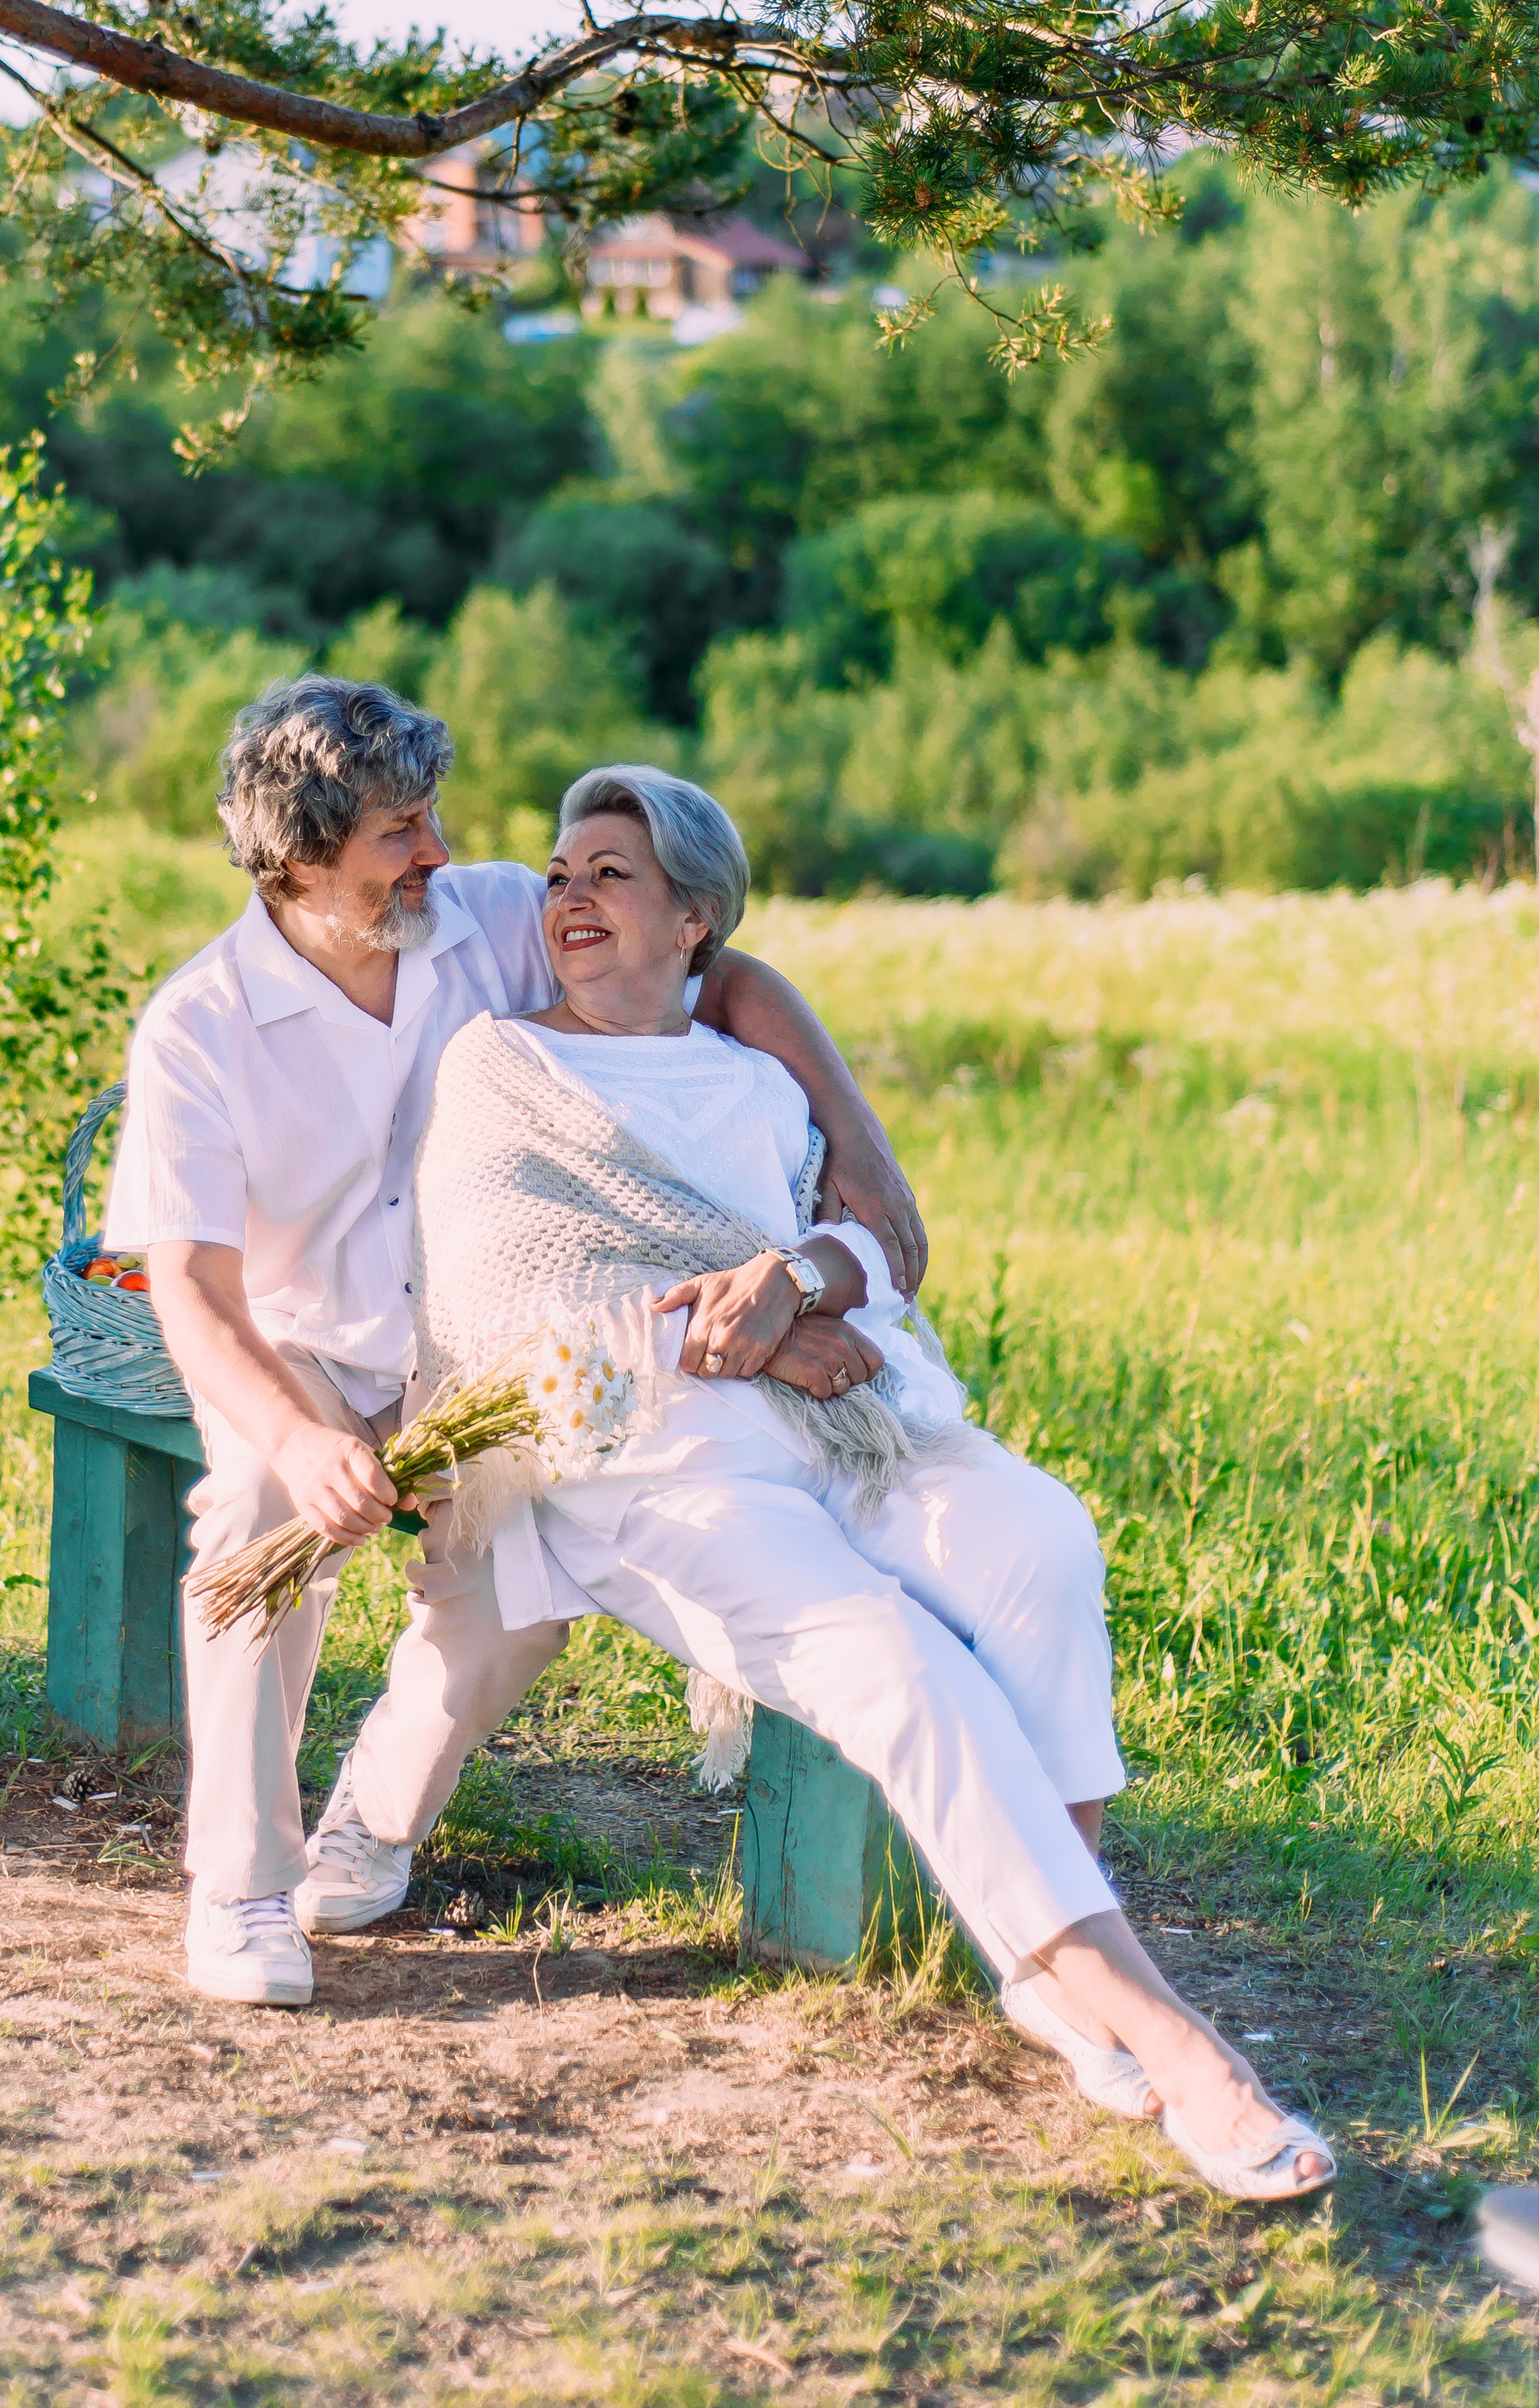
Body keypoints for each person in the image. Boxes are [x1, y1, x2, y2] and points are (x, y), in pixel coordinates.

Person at [402, 762, 1336, 2205]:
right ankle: (1171, 2035)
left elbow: (868, 1260)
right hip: (655, 1467)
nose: (568, 897)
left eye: (610, 874)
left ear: (694, 919)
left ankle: (1047, 1974)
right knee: (896, 1662)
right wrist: (767, 1326)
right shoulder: (506, 1069)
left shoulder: (759, 1082)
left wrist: (804, 1278)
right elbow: (526, 1309)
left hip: (846, 1430)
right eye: (560, 872)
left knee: (1039, 1533)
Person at [107, 677, 925, 2009]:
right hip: (301, 1348)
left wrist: (860, 1138)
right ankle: (241, 1890)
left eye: (433, 817)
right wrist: (310, 1436)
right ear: (303, 853)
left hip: (489, 1343)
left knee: (523, 1579)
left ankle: (370, 1816)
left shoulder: (484, 917)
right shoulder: (198, 1027)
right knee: (260, 1511)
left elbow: (723, 975)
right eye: (399, 831)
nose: (440, 850)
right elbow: (192, 1286)